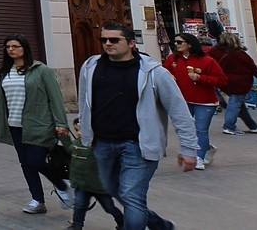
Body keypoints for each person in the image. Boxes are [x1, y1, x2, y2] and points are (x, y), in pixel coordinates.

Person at [77, 21, 198, 230]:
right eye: (103, 39)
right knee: (113, 189)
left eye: (114, 39)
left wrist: (188, 149)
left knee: (131, 195)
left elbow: (179, 111)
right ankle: (159, 225)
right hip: (102, 144)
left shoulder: (154, 73)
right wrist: (85, 132)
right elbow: (83, 102)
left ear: (131, 43)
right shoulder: (90, 67)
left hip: (138, 146)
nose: (107, 43)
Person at [0, 33, 72, 215]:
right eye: (8, 46)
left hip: (39, 124)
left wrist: (61, 123)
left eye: (15, 46)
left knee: (36, 161)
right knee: (26, 163)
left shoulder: (41, 70)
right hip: (15, 125)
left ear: (25, 48)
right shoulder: (5, 72)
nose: (11, 49)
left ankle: (63, 187)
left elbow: (55, 97)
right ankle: (37, 200)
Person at [162, 32, 226, 169]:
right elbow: (163, 74)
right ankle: (206, 147)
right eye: (175, 42)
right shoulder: (172, 59)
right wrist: (169, 78)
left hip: (205, 101)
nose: (176, 45)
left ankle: (199, 157)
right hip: (183, 100)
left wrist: (200, 78)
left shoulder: (207, 61)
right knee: (188, 130)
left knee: (201, 130)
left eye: (180, 42)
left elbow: (221, 80)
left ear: (190, 44)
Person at [66, 118, 123, 230]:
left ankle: (122, 222)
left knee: (109, 207)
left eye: (81, 130)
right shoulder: (77, 143)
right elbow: (69, 149)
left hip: (99, 186)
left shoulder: (99, 145)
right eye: (76, 130)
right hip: (82, 184)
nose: (78, 133)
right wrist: (63, 137)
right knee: (79, 204)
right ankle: (77, 225)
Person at [214, 32, 257, 135]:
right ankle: (229, 126)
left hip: (223, 82)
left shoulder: (214, 52)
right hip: (240, 83)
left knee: (238, 105)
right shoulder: (240, 54)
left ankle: (252, 125)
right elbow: (254, 69)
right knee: (234, 104)